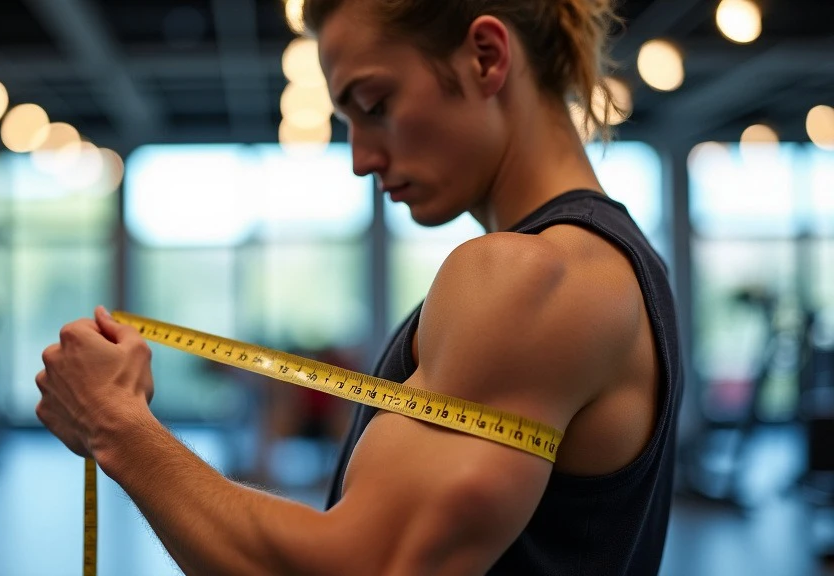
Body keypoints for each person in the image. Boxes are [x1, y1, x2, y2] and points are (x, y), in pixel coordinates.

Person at [34, 0, 684, 573]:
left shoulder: (527, 275)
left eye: (375, 105)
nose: (360, 158)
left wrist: (115, 423)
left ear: (486, 57)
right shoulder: (619, 264)